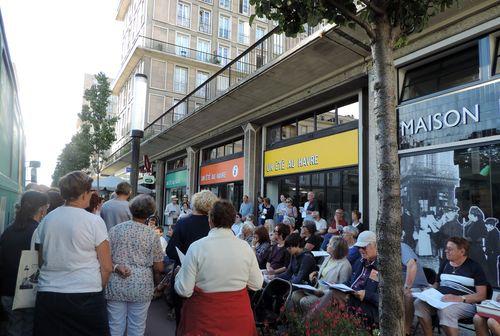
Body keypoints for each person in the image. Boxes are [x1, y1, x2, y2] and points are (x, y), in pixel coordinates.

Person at [34, 171, 112, 335]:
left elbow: (40, 260)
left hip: (49, 294)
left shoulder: (46, 220)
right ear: (84, 194)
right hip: (86, 294)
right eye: (91, 191)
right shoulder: (94, 221)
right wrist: (97, 287)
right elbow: (106, 266)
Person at [174, 199, 263, 335]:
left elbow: (184, 290)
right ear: (233, 220)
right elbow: (256, 284)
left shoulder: (197, 247)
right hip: (238, 319)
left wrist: (178, 275)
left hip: (204, 319)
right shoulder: (245, 247)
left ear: (210, 220)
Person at [105, 195, 164, 336]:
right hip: (142, 285)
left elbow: (105, 257)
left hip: (116, 283)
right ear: (150, 213)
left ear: (131, 210)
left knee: (115, 325)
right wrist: (157, 282)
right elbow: (159, 267)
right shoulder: (152, 235)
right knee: (137, 326)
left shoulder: (115, 230)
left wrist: (116, 266)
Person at [414, 237, 488, 336]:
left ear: (462, 251)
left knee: (446, 311)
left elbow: (481, 295)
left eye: (450, 249)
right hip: (441, 300)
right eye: (446, 248)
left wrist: (458, 298)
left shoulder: (475, 267)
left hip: (466, 304)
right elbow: (437, 283)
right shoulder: (445, 264)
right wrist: (429, 290)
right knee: (419, 303)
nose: (446, 251)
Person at [166, 190, 218, 325]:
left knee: (182, 321)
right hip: (209, 279)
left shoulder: (183, 223)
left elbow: (171, 251)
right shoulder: (215, 225)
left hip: (185, 276)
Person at [0, 191, 49, 336]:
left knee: (12, 329)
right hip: (30, 290)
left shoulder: (8, 230)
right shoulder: (38, 231)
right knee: (28, 328)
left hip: (7, 290)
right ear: (42, 209)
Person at [290, 235, 352, 313]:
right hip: (317, 289)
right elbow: (323, 272)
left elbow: (342, 289)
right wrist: (316, 273)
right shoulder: (329, 258)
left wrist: (324, 292)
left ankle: (310, 322)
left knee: (304, 301)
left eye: (329, 244)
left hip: (327, 296)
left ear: (336, 249)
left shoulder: (345, 266)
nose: (326, 245)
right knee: (295, 295)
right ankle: (299, 320)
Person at [401, 242, 429, 336]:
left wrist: (407, 287)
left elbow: (412, 265)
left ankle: (406, 330)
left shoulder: (402, 247)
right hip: (398, 286)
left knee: (407, 295)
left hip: (417, 286)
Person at [484, 217, 499, 285]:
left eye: (487, 225)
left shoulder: (495, 232)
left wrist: (493, 252)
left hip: (493, 254)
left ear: (491, 225)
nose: (486, 226)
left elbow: (497, 245)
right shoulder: (490, 231)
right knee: (490, 268)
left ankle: (495, 283)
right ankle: (492, 281)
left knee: (493, 269)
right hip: (490, 253)